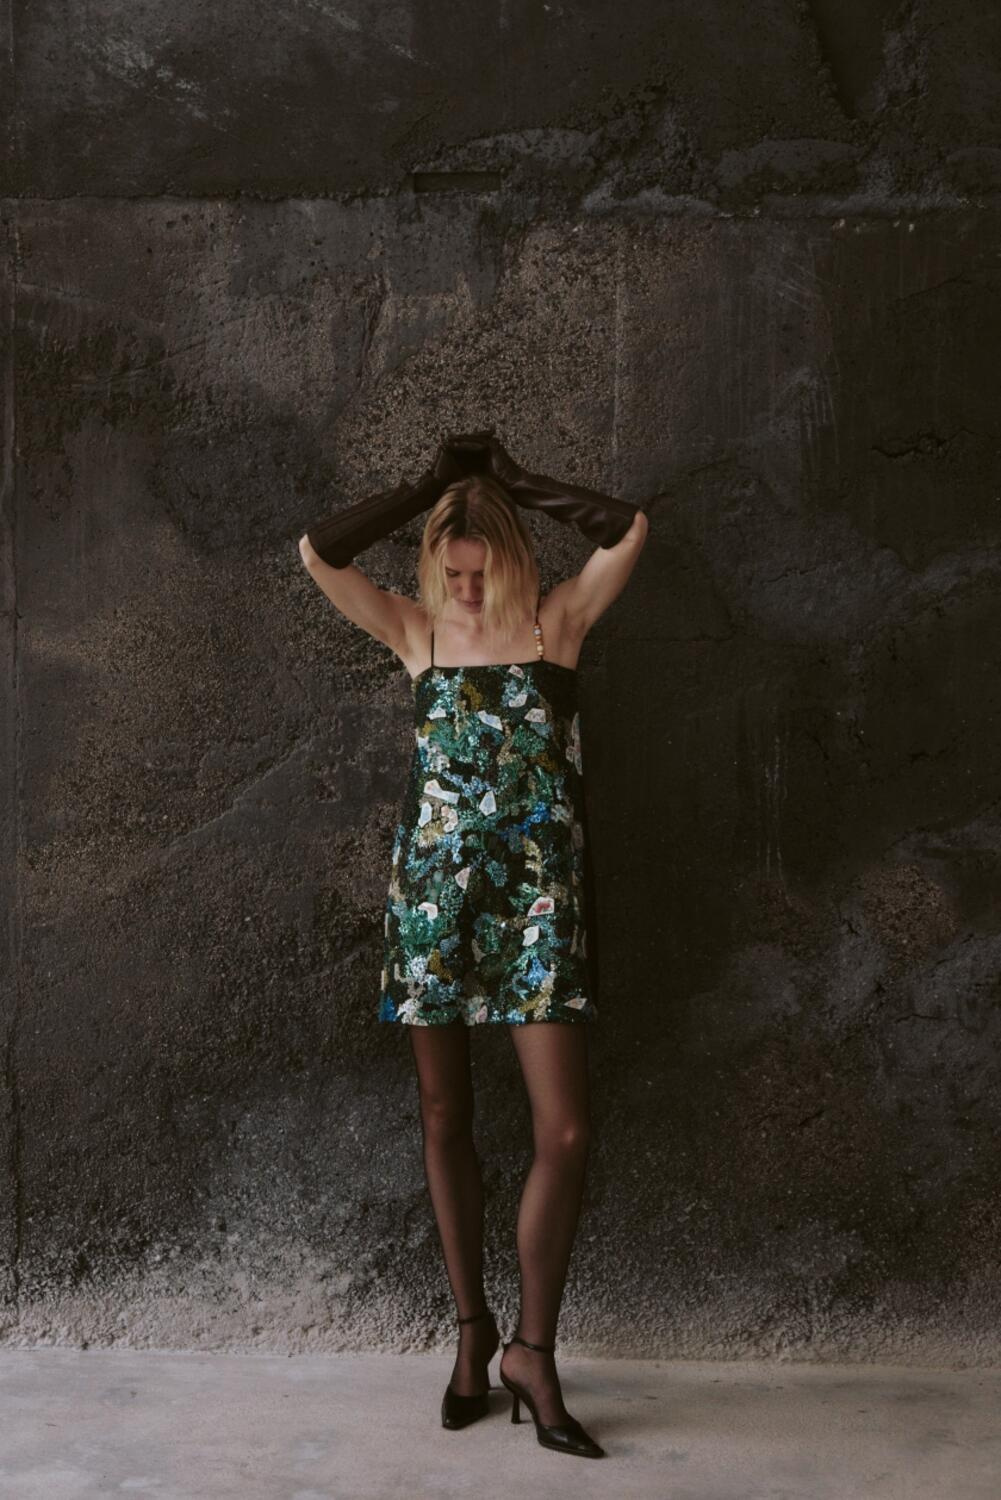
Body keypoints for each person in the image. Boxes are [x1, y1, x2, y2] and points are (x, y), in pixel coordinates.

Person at [298, 432, 648, 1459]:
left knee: (563, 1131)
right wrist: (427, 488)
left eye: (476, 569)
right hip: (434, 912)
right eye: (447, 572)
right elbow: (318, 552)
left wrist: (513, 483)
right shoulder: (416, 633)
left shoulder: (556, 624)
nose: (461, 588)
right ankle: (471, 1331)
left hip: (540, 908)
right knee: (444, 1114)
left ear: (510, 557)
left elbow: (629, 529)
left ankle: (532, 1351)